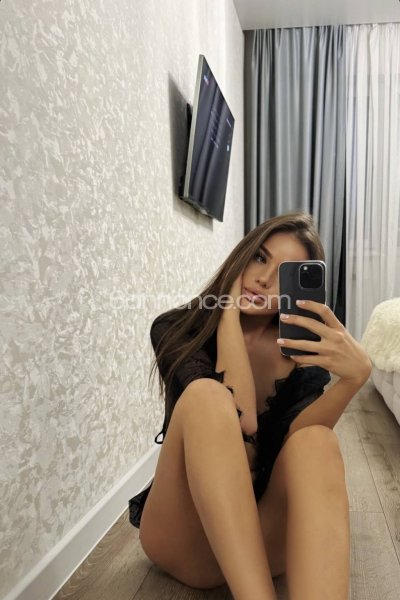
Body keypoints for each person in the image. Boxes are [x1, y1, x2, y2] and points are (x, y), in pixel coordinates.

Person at [128, 212, 371, 600]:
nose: (264, 279)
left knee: (317, 442)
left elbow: (298, 443)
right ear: (241, 256)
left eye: (285, 274)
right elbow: (244, 424)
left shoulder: (301, 355)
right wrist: (226, 314)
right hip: (183, 536)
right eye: (260, 258)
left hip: (260, 538)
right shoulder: (176, 329)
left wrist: (353, 380)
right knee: (207, 397)